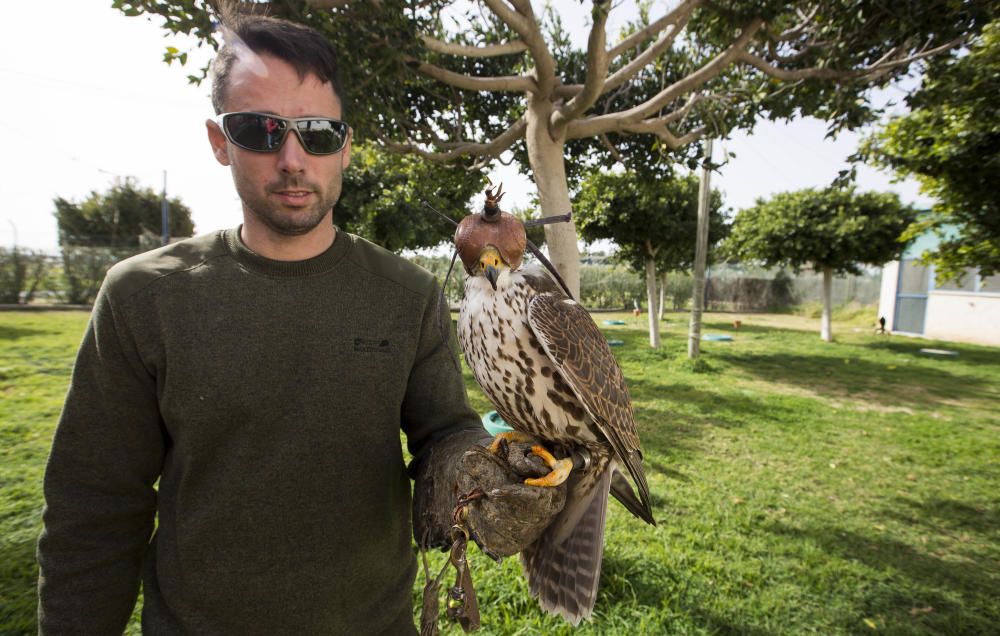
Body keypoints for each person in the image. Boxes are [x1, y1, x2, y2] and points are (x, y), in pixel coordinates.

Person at [36, 10, 562, 634]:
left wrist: (474, 468)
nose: (292, 158)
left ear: (342, 145)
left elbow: (442, 435)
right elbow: (94, 507)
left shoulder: (408, 293)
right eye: (259, 130)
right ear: (218, 140)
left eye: (315, 131)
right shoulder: (143, 295)